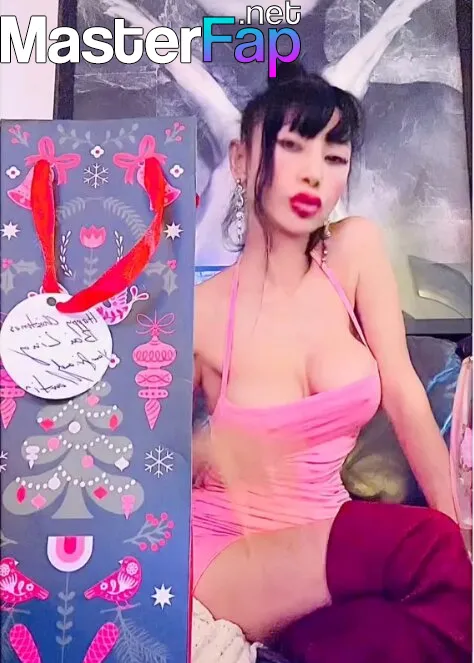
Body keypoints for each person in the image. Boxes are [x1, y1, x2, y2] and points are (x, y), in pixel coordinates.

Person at [191, 62, 472, 662]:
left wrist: (462, 535)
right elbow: (140, 461)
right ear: (240, 160)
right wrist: (208, 448)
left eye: (335, 156)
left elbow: (403, 393)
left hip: (325, 548)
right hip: (228, 552)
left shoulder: (355, 250)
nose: (314, 173)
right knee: (423, 543)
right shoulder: (198, 312)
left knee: (386, 639)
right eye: (292, 146)